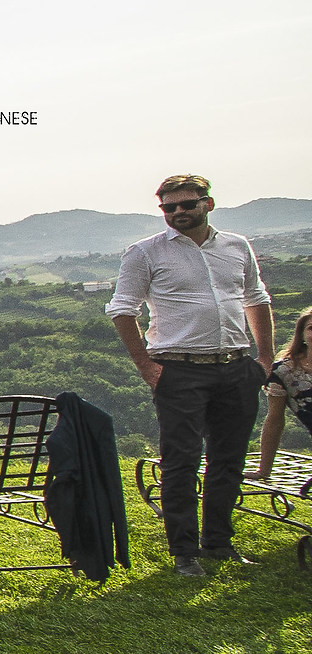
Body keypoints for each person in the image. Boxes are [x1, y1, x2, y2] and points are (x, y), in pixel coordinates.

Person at [107, 175, 276, 575]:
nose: (178, 212)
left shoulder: (236, 246)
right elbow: (122, 309)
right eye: (169, 207)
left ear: (208, 204)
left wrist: (265, 358)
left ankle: (218, 543)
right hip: (178, 369)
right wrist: (147, 366)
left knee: (229, 459)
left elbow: (255, 298)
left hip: (236, 366)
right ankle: (184, 551)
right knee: (181, 461)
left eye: (186, 204)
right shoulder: (145, 252)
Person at [255, 306, 312, 481]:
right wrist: (264, 470)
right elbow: (275, 420)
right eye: (311, 328)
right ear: (302, 335)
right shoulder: (284, 372)